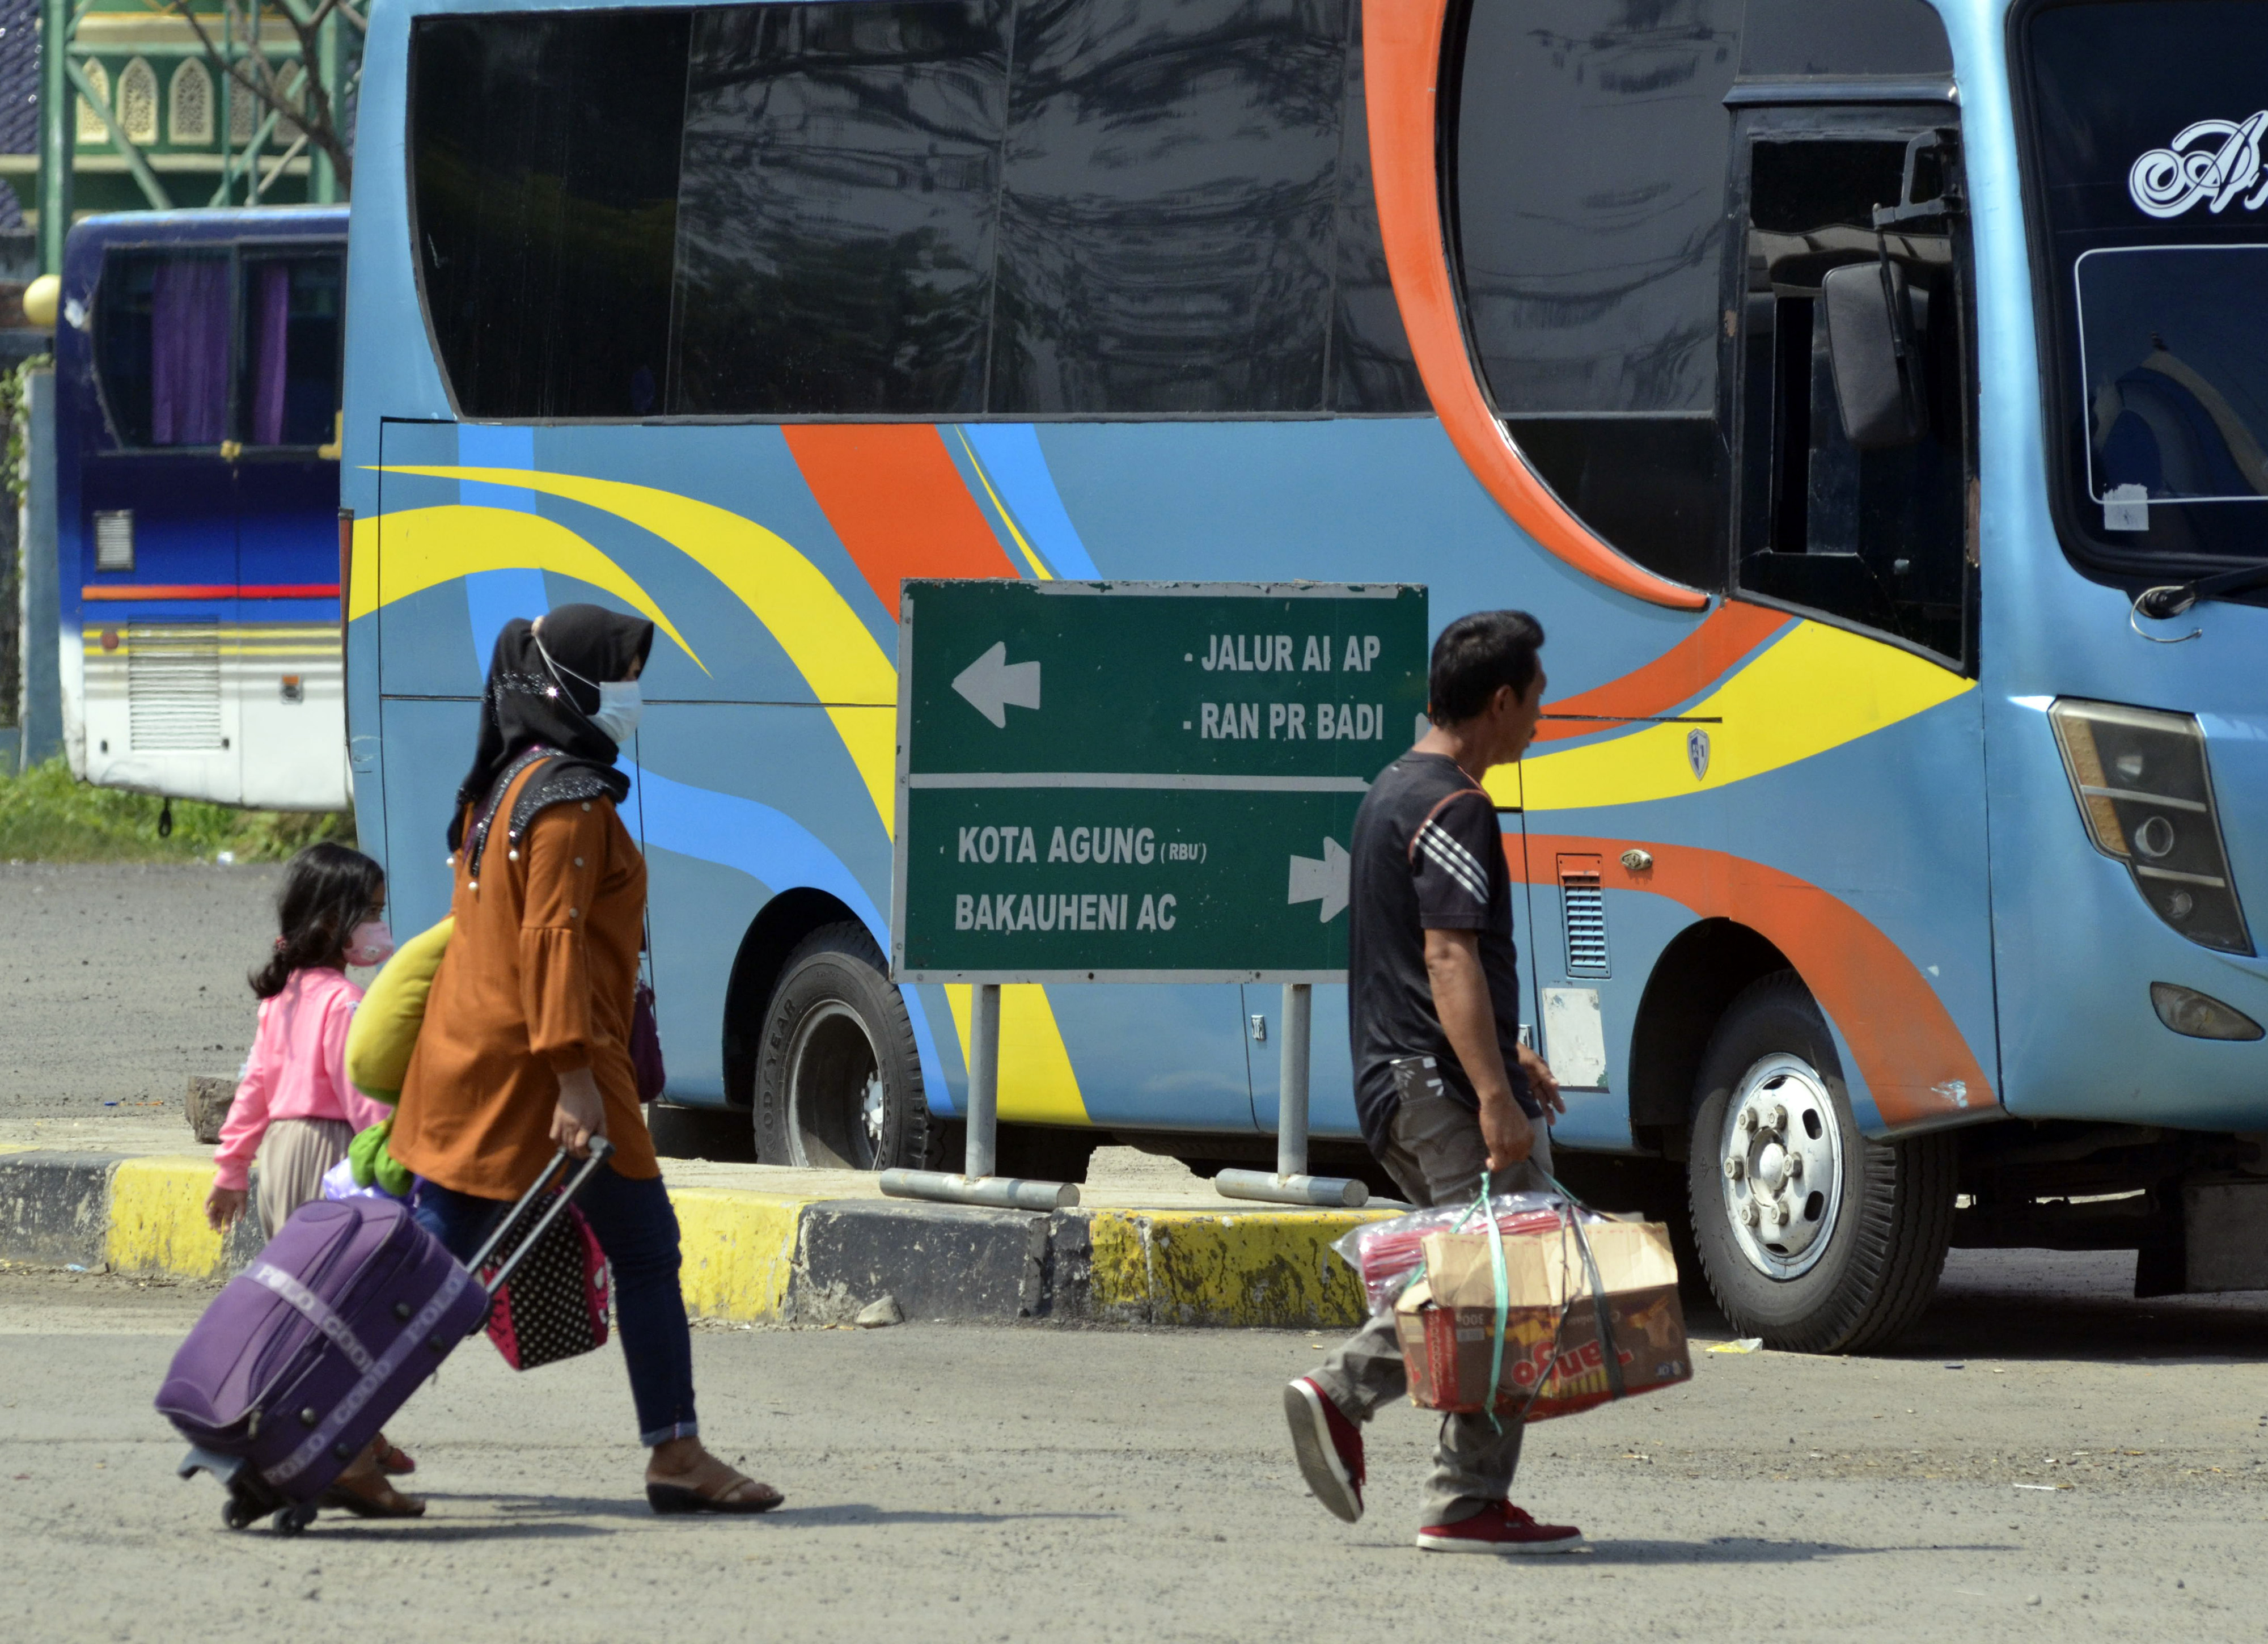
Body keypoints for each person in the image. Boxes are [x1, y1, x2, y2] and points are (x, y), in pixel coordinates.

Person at [390, 603, 782, 1516]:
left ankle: (344, 1418)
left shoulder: (501, 785)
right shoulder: (568, 801)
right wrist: (574, 1078)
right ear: (570, 688)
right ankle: (675, 1451)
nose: (632, 695)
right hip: (554, 1073)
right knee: (645, 1249)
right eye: (620, 676)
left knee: (444, 1260)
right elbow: (554, 941)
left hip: (475, 1067)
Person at [1283, 608, 1581, 1555]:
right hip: (1434, 1087)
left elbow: (1422, 961)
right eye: (1536, 701)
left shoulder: (1393, 790)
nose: (1541, 719)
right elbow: (1447, 955)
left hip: (1398, 1077)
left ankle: (1464, 1493)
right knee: (1508, 1273)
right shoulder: (1457, 805)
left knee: (1482, 1272)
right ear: (1501, 701)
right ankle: (1353, 1396)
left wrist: (1509, 1051)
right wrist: (1495, 1094)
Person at [205, 840, 422, 1514]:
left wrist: (233, 1169)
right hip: (332, 1161)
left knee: (308, 1309)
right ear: (333, 922)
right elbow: (366, 1103)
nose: (380, 928)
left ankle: (365, 1436)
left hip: (279, 1159)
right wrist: (399, 1172)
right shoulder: (344, 1006)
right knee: (340, 1315)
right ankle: (349, 1458)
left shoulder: (283, 999)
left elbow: (253, 1091)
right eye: (372, 914)